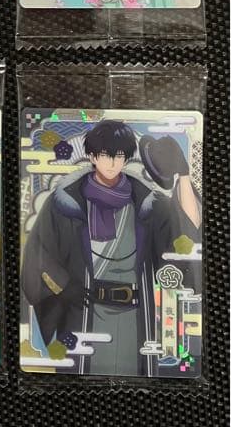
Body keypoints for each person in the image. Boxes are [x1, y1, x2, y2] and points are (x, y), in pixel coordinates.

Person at [21, 119, 201, 377]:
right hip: (84, 311)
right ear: (93, 156)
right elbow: (39, 252)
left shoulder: (146, 201)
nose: (112, 162)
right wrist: (64, 286)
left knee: (134, 382)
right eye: (105, 154)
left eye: (119, 155)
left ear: (126, 159)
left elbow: (186, 233)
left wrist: (183, 174)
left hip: (134, 314)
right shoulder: (66, 201)